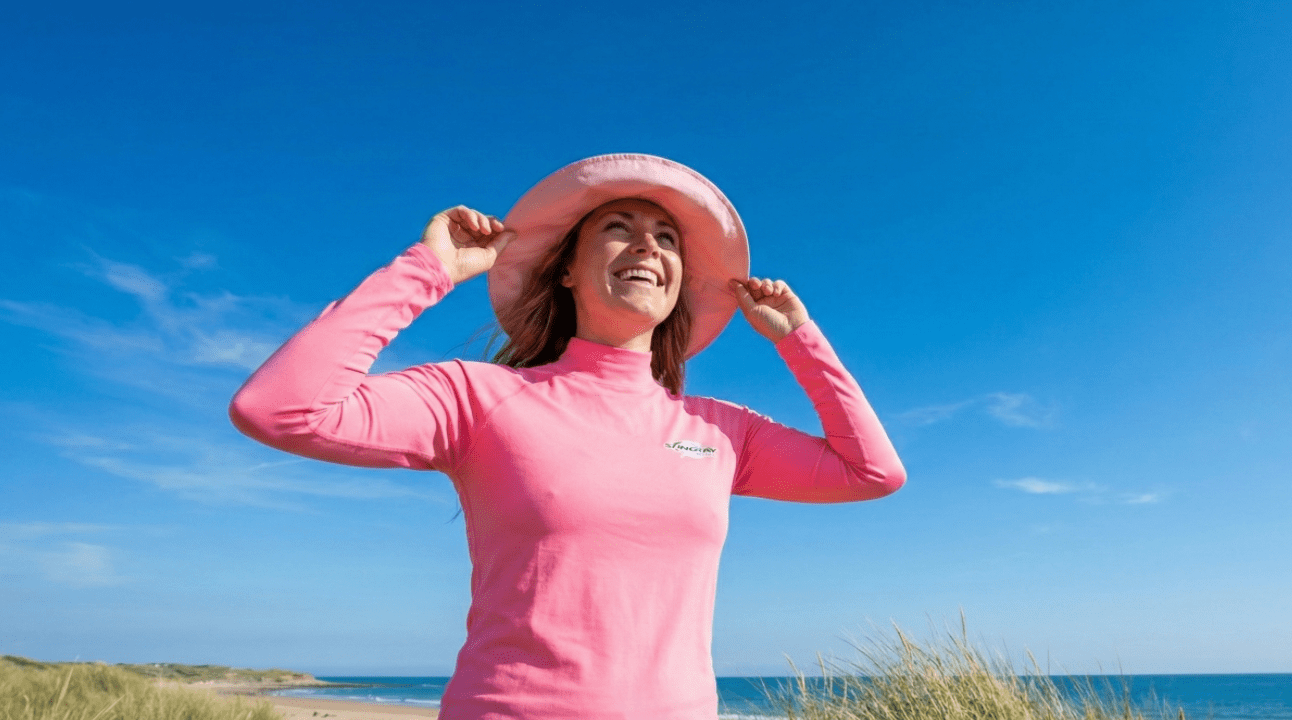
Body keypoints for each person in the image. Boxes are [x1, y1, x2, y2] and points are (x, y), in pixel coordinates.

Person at [229, 153, 906, 719]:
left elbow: (872, 472)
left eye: (666, 238)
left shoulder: (720, 430)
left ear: (678, 288)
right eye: (619, 227)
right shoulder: (479, 398)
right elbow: (279, 409)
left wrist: (800, 341)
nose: (648, 245)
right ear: (565, 268)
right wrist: (426, 270)